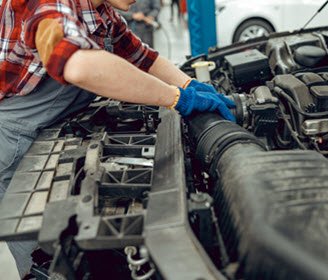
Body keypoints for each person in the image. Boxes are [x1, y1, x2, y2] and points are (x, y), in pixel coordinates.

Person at [0, 0, 235, 277]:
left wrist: (191, 85)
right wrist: (176, 98)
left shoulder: (101, 13)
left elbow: (143, 58)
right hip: (16, 143)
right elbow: (77, 65)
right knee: (49, 260)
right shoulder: (44, 5)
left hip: (57, 131)